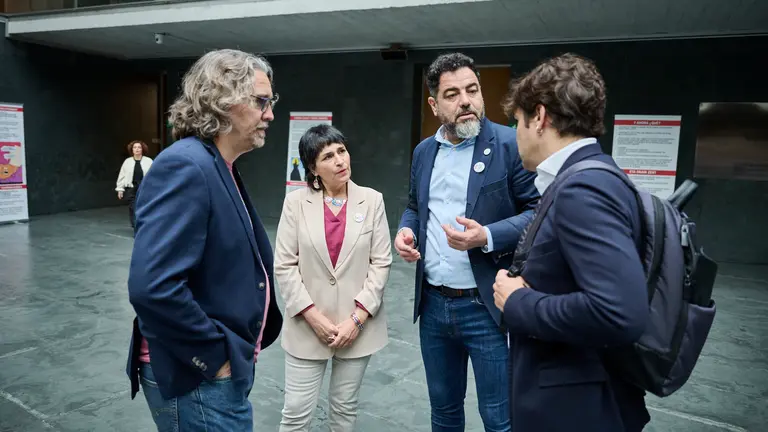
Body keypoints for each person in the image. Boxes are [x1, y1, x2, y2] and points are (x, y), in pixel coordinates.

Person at [125, 49, 283, 431]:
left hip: (217, 373)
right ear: (223, 101)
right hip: (198, 377)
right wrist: (215, 357)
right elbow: (153, 287)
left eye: (271, 102)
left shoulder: (218, 164)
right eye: (262, 101)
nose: (270, 114)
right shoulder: (186, 165)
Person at [492, 53, 650, 431]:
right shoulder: (586, 177)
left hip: (576, 409)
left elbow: (619, 312)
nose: (516, 135)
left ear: (540, 118)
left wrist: (519, 302)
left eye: (517, 122)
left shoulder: (584, 187)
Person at [395, 52, 539, 432]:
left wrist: (486, 236)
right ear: (434, 104)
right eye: (453, 94)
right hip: (434, 307)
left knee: (499, 418)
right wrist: (406, 231)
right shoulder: (424, 152)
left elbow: (538, 213)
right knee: (443, 413)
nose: (465, 101)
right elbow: (414, 206)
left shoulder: (509, 145)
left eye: (472, 90)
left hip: (486, 307)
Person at [274, 124, 392, 432]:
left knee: (344, 412)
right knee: (296, 415)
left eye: (342, 151)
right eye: (328, 156)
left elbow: (381, 263)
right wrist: (313, 318)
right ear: (313, 168)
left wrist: (356, 320)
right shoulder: (295, 204)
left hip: (358, 327)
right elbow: (284, 265)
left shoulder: (372, 200)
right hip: (307, 326)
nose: (340, 161)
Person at [115, 140, 152, 228]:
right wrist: (120, 189)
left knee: (143, 207)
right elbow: (122, 175)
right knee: (133, 207)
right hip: (131, 188)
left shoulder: (149, 161)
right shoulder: (127, 161)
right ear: (132, 150)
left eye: (139, 147)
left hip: (144, 188)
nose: (137, 149)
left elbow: (153, 175)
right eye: (135, 147)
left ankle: (142, 225)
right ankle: (136, 226)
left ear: (142, 149)